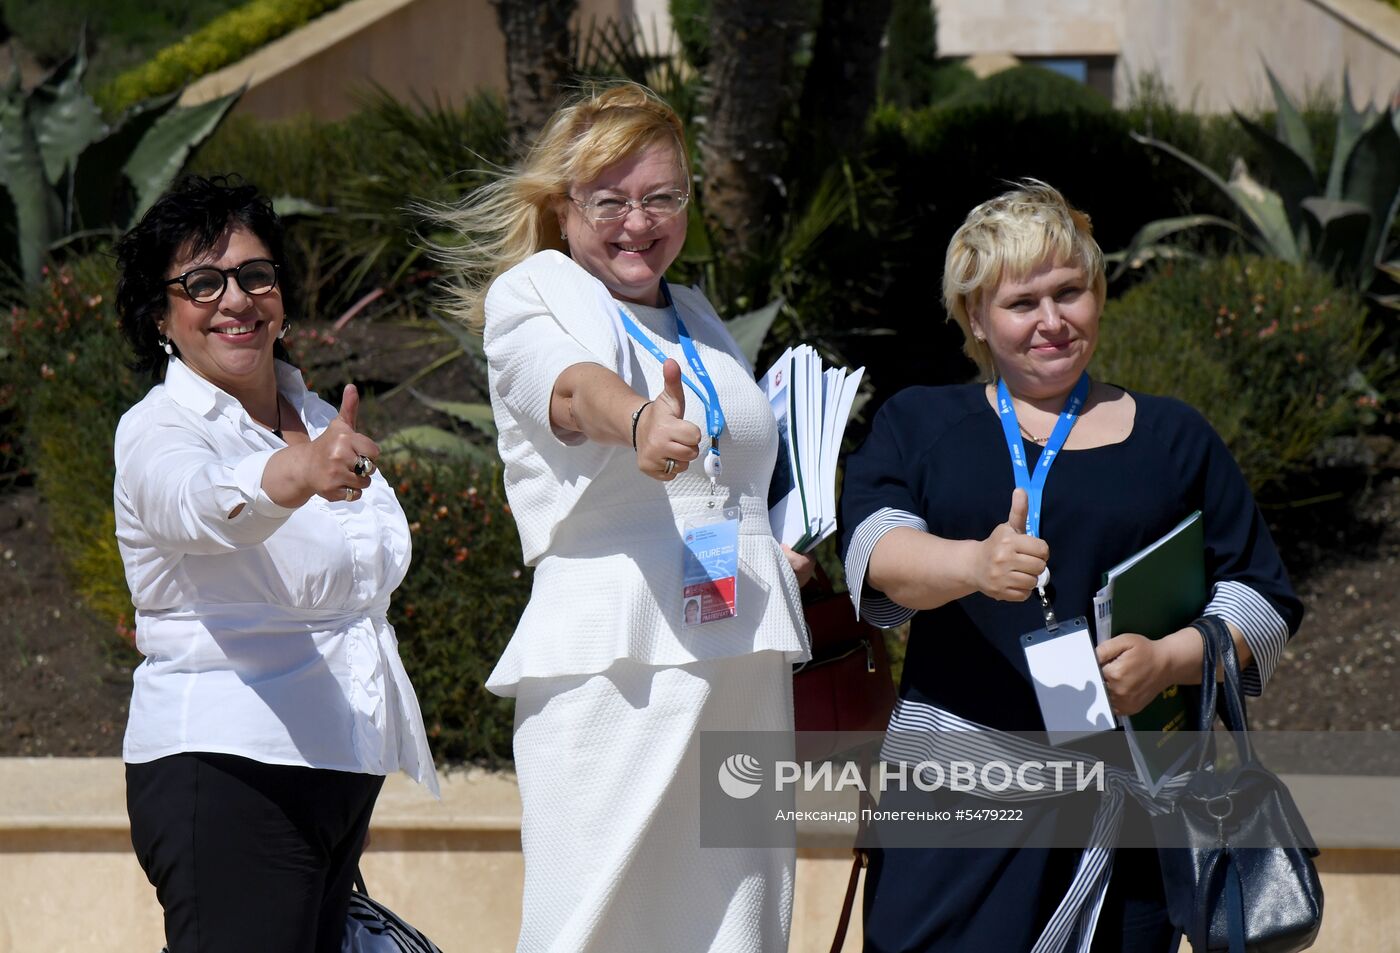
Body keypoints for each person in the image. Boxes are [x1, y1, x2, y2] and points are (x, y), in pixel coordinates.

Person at [838, 180, 1302, 952]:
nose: (1052, 321)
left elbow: (1262, 597)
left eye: (1070, 292)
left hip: (1134, 822)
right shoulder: (921, 422)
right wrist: (974, 563)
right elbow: (878, 554)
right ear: (976, 318)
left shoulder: (1175, 437)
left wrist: (1168, 660)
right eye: (1023, 303)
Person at [433, 82, 814, 952]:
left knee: (741, 925)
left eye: (660, 198)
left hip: (739, 655)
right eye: (609, 200)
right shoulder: (537, 292)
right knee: (595, 925)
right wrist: (639, 421)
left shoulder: (699, 316)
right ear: (564, 207)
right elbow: (568, 390)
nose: (637, 222)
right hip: (617, 664)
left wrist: (764, 552)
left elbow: (724, 479)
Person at [113, 174, 439, 953]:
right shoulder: (157, 430)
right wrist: (295, 475)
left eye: (256, 275)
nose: (236, 299)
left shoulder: (319, 415)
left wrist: (307, 453)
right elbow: (196, 502)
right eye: (202, 282)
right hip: (228, 772)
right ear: (161, 315)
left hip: (334, 773)